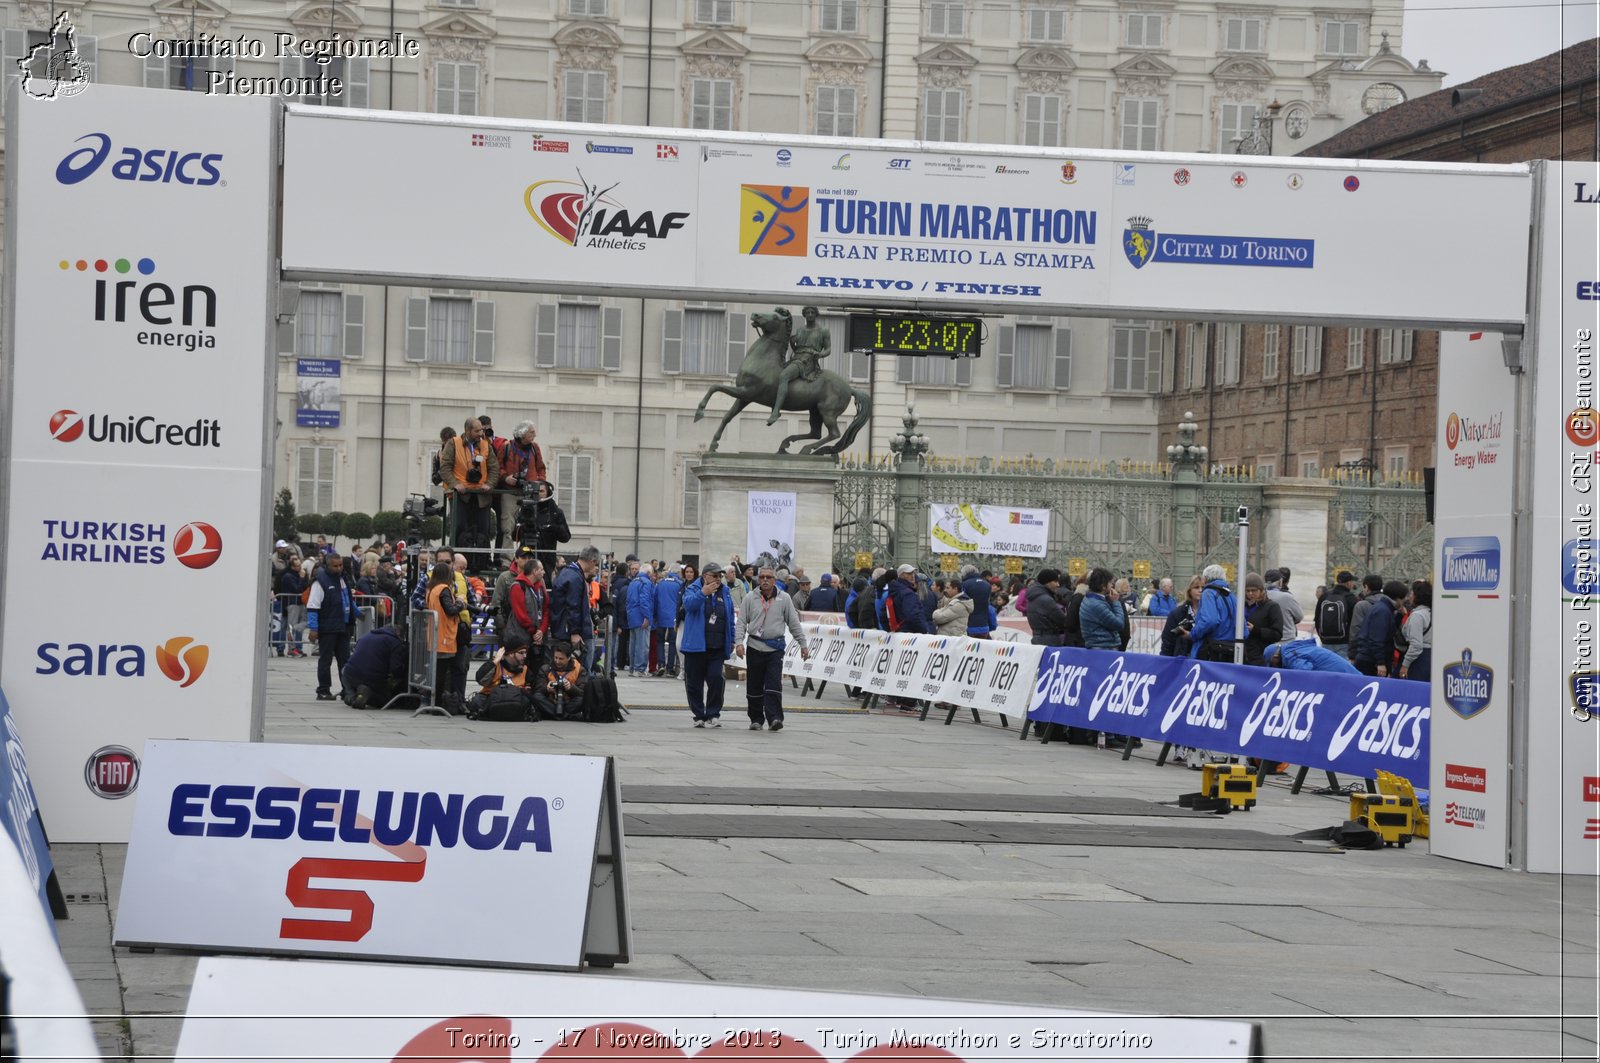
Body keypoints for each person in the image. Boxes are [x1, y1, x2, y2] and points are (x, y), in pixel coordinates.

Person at [735, 566, 810, 731]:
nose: (765, 580)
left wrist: (803, 644)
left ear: (775, 580)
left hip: (775, 649)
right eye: (762, 577)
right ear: (758, 579)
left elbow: (793, 623)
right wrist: (739, 642)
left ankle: (775, 718)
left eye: (768, 577)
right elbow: (741, 622)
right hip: (754, 647)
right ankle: (756, 719)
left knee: (773, 684)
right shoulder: (750, 598)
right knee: (754, 685)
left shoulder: (784, 598)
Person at [438, 417, 500, 567]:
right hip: (461, 496)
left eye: (482, 430)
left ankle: (482, 563)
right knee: (459, 529)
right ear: (467, 431)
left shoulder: (486, 445)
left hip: (481, 496)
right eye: (477, 430)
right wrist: (455, 484)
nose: (481, 433)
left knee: (484, 530)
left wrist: (490, 484)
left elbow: (494, 468)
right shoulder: (454, 443)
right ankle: (458, 563)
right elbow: (445, 468)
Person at [681, 561, 737, 727]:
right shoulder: (693, 588)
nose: (718, 579)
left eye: (720, 576)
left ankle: (713, 713)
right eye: (714, 575)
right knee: (694, 682)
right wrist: (703, 593)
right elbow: (688, 605)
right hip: (696, 646)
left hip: (717, 646)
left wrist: (732, 639)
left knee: (716, 679)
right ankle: (699, 714)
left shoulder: (725, 592)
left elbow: (730, 618)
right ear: (705, 576)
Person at [306, 552, 360, 701]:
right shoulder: (320, 581)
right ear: (327, 565)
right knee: (326, 660)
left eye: (341, 565)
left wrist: (357, 614)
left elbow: (347, 600)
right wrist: (314, 628)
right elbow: (313, 606)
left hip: (343, 625)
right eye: (335, 566)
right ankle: (323, 690)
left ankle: (346, 689)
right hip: (328, 627)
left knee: (345, 660)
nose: (339, 568)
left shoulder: (343, 579)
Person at [769, 305, 830, 425]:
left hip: (808, 361)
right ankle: (774, 404)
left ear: (816, 314)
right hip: (797, 357)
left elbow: (828, 349)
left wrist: (820, 354)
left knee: (784, 376)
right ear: (804, 315)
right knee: (774, 375)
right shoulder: (800, 330)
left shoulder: (823, 330)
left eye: (813, 312)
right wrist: (793, 344)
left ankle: (776, 411)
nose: (810, 314)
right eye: (808, 312)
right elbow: (797, 349)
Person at [424, 562, 466, 712]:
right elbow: (450, 610)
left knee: (437, 671)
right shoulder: (443, 589)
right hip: (445, 635)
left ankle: (433, 701)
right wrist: (461, 604)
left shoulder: (431, 589)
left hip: (434, 634)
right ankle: (439, 704)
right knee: (442, 673)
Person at [550, 546, 600, 665]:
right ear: (592, 561)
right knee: (581, 668)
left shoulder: (567, 573)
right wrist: (575, 632)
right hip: (572, 631)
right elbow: (573, 606)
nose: (596, 567)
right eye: (596, 564)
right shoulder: (575, 577)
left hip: (564, 627)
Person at [340, 624, 408, 709]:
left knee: (344, 671)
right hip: (373, 679)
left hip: (350, 673)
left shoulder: (366, 635)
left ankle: (351, 697)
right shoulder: (395, 642)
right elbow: (395, 669)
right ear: (398, 634)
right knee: (386, 700)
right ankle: (367, 695)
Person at [467, 638, 535, 721]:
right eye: (521, 653)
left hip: (515, 701)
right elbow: (480, 680)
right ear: (510, 654)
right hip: (493, 700)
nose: (525, 656)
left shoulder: (525, 669)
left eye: (525, 653)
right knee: (477, 700)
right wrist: (495, 661)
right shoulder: (496, 665)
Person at [516, 480, 571, 575]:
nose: (539, 494)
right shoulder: (526, 509)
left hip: (547, 560)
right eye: (536, 492)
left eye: (541, 491)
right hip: (527, 555)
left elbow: (566, 537)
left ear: (548, 492)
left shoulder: (555, 512)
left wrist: (552, 527)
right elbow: (515, 535)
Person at [1353, 580, 1408, 677]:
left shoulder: (1384, 607)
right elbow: (1377, 638)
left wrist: (1399, 616)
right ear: (1398, 598)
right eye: (1404, 598)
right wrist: (1380, 662)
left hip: (1369, 658)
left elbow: (1387, 629)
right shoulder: (1383, 611)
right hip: (1371, 661)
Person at [1188, 565, 1238, 661]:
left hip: (1213, 649)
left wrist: (1193, 634)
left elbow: (1210, 620)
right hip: (1231, 649)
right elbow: (1243, 628)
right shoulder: (1232, 596)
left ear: (1205, 578)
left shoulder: (1208, 593)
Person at [506, 557, 549, 658]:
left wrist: (541, 630)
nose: (544, 572)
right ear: (534, 571)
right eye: (541, 569)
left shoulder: (541, 588)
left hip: (538, 638)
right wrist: (535, 632)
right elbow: (521, 615)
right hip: (520, 639)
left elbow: (546, 610)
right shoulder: (517, 587)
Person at [1240, 573, 1285, 667]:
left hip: (1261, 658)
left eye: (1254, 590)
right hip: (1242, 656)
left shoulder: (1272, 607)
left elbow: (1277, 634)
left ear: (1261, 590)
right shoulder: (1240, 606)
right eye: (1247, 591)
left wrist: (1256, 630)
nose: (1250, 594)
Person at [533, 643, 586, 721]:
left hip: (569, 703)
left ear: (568, 658)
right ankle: (566, 716)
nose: (557, 661)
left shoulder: (580, 670)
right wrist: (547, 688)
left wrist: (571, 688)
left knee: (582, 699)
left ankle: (555, 715)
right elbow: (538, 689)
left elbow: (582, 692)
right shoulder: (545, 669)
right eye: (555, 657)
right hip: (551, 702)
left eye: (561, 659)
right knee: (537, 696)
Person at [1316, 571, 1360, 658]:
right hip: (1344, 643)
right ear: (1348, 583)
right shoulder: (1351, 598)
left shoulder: (1324, 596)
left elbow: (1317, 619)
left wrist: (1323, 638)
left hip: (1326, 642)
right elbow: (1355, 623)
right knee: (1341, 670)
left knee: (1327, 669)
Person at [1159, 575, 1205, 657]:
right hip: (1181, 659)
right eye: (1196, 587)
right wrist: (1164, 661)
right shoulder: (1177, 613)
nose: (1200, 590)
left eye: (1203, 587)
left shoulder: (1210, 613)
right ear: (1189, 590)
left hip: (1203, 659)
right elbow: (1167, 640)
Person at [1398, 580, 1433, 681]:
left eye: (1411, 593)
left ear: (1417, 596)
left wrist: (1405, 665)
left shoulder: (1417, 616)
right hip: (1431, 657)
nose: (1409, 596)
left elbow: (1416, 645)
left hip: (1419, 659)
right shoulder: (1432, 612)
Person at [654, 563, 684, 678]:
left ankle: (661, 663)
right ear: (678, 573)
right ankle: (670, 668)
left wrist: (655, 615)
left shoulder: (660, 583)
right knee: (672, 643)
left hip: (661, 616)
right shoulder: (679, 584)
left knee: (660, 641)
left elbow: (655, 600)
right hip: (674, 617)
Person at [886, 563, 933, 634]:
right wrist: (925, 630)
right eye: (909, 573)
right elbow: (913, 616)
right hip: (910, 633)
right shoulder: (907, 593)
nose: (912, 576)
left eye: (913, 573)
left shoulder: (893, 590)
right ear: (901, 575)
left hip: (898, 632)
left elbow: (884, 614)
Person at [627, 563, 656, 676]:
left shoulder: (633, 581)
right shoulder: (646, 582)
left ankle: (632, 668)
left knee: (633, 644)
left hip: (632, 616)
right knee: (643, 645)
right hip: (641, 616)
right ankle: (639, 669)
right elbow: (645, 601)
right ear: (648, 573)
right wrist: (647, 617)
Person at [1265, 640, 1361, 674]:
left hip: (1344, 675)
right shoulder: (1291, 649)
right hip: (1344, 671)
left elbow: (1305, 673)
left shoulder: (1289, 656)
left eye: (1272, 664)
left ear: (1275, 657)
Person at [1025, 569, 1068, 646]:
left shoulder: (1033, 597)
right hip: (1049, 641)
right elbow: (1063, 621)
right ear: (1047, 582)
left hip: (1037, 638)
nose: (1058, 585)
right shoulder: (1046, 600)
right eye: (1055, 581)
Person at [1348, 574, 1386, 658]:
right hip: (1385, 651)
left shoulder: (1362, 605)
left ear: (1366, 587)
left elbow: (1356, 630)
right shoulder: (1388, 603)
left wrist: (1352, 653)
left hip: (1365, 651)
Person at [1264, 569, 1304, 642]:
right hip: (1286, 638)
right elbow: (1299, 616)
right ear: (1280, 582)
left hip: (1268, 639)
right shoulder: (1287, 597)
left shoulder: (1261, 596)